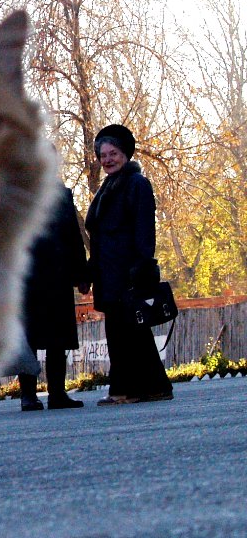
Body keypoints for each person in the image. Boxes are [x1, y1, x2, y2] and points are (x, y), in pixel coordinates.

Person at [84, 124, 173, 405]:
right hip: (107, 273)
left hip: (127, 272)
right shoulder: (108, 187)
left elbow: (144, 229)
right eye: (103, 155)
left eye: (113, 153)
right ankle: (156, 386)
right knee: (128, 332)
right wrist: (89, 270)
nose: (107, 159)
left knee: (126, 333)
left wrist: (142, 266)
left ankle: (127, 389)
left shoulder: (136, 184)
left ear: (125, 154)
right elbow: (99, 236)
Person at [18, 182, 91, 411]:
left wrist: (81, 275)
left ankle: (57, 393)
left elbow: (74, 236)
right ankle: (28, 395)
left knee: (57, 339)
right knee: (28, 340)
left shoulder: (62, 194)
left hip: (58, 276)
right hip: (25, 278)